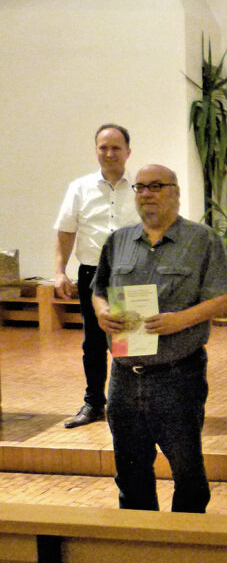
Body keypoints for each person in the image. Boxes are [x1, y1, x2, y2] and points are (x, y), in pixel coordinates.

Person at [92, 164, 227, 512]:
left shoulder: (201, 240)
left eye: (155, 186)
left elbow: (226, 295)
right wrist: (101, 313)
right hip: (125, 377)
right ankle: (141, 543)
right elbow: (99, 290)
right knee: (129, 468)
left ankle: (187, 543)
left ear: (175, 192)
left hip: (178, 376)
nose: (146, 194)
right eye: (140, 187)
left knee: (186, 469)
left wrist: (180, 321)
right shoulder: (119, 240)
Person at [54, 124, 140, 428]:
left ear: (128, 151)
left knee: (132, 341)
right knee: (93, 342)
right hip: (92, 274)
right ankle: (93, 403)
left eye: (116, 147)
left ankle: (132, 405)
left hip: (132, 272)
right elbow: (66, 230)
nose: (109, 153)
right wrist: (59, 271)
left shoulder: (140, 187)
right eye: (103, 147)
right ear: (96, 151)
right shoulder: (79, 187)